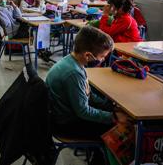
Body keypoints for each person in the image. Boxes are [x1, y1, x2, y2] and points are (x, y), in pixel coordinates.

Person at [46, 26, 126, 164]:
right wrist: (113, 118)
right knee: (117, 130)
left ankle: (98, 156)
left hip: (67, 115)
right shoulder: (73, 73)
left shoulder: (72, 61)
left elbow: (88, 94)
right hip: (66, 125)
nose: (102, 60)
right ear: (88, 55)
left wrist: (110, 107)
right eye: (102, 57)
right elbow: (83, 112)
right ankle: (100, 160)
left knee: (110, 118)